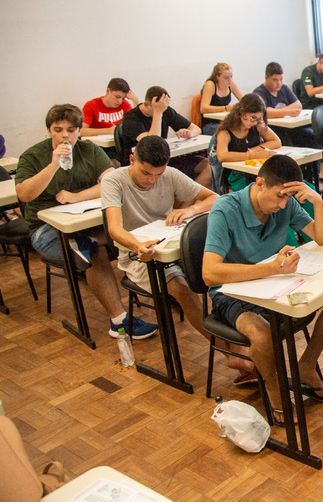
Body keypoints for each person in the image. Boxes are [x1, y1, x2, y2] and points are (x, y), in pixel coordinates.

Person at [203, 155, 323, 423]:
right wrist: (271, 269)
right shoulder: (226, 208)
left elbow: (322, 237)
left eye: (288, 197)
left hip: (274, 285)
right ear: (259, 183)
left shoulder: (286, 204)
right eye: (279, 196)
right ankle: (276, 391)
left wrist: (317, 201)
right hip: (232, 292)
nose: (282, 205)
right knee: (261, 333)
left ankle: (306, 365)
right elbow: (210, 273)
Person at [100, 136, 258, 381]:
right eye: (145, 173)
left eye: (158, 174)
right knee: (182, 289)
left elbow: (213, 197)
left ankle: (237, 346)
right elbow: (115, 229)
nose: (152, 180)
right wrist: (138, 244)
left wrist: (189, 209)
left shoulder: (169, 174)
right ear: (132, 159)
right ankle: (229, 353)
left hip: (171, 245)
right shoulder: (114, 181)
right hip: (138, 255)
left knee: (218, 273)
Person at [15, 104, 158, 340]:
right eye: (58, 129)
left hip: (85, 221)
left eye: (71, 130)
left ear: (79, 131)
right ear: (48, 130)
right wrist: (53, 165)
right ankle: (119, 322)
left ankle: (164, 289)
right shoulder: (33, 155)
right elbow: (24, 195)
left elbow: (111, 182)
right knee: (93, 249)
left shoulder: (89, 149)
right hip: (46, 230)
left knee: (132, 232)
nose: (65, 135)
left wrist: (76, 197)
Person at [121, 86, 210, 188]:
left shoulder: (165, 110)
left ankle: (189, 201)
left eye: (164, 107)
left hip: (166, 159)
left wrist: (189, 133)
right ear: (146, 104)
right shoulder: (131, 117)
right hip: (143, 164)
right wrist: (157, 112)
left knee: (209, 166)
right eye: (159, 107)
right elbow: (152, 144)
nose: (163, 110)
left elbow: (196, 129)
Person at [214, 94, 282, 192]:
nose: (255, 122)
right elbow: (222, 156)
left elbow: (276, 142)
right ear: (241, 112)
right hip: (236, 175)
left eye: (259, 119)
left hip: (256, 172)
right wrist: (253, 155)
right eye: (252, 117)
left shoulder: (257, 125)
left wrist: (255, 150)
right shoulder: (225, 131)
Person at [253, 62, 316, 148]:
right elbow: (264, 113)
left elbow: (298, 105)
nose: (279, 83)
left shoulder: (284, 88)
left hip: (291, 128)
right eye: (275, 80)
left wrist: (275, 111)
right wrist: (288, 112)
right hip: (274, 129)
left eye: (281, 79)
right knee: (287, 141)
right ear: (266, 78)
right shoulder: (259, 93)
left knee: (311, 136)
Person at [200, 63, 245, 135]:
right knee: (231, 133)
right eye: (226, 77)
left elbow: (244, 100)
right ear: (217, 76)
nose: (229, 80)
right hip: (210, 123)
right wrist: (225, 108)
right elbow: (203, 108)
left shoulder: (231, 84)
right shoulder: (210, 84)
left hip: (224, 121)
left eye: (231, 77)